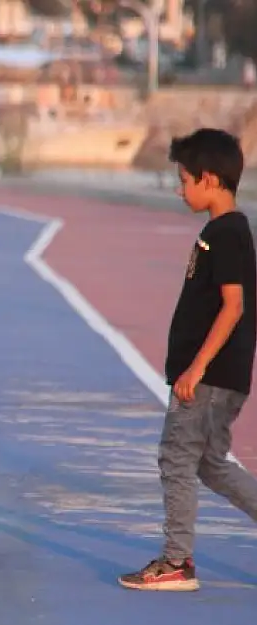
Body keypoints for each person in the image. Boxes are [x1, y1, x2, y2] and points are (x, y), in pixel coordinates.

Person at [119, 128, 257, 592]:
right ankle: (178, 558)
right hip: (219, 377)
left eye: (185, 179)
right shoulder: (222, 232)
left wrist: (196, 369)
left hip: (208, 379)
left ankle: (177, 561)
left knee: (177, 457)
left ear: (211, 179)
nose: (180, 189)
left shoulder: (228, 234)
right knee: (210, 463)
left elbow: (232, 305)